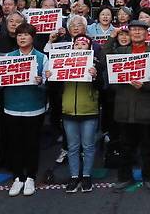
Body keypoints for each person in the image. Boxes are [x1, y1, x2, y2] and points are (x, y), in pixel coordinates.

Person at [0, 23, 47, 197]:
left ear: (32, 37)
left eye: (26, 35)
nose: (22, 37)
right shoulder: (9, 56)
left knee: (32, 144)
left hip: (34, 108)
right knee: (15, 144)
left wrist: (41, 82)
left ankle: (30, 176)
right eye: (19, 35)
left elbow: (48, 86)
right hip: (12, 107)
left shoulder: (42, 58)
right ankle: (18, 177)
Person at [110, 20, 150, 193]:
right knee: (125, 146)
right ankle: (124, 177)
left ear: (147, 34)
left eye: (140, 30)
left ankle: (149, 177)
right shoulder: (120, 52)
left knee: (147, 146)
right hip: (124, 107)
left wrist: (145, 85)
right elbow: (106, 62)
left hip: (145, 108)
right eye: (133, 30)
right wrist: (111, 38)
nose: (136, 33)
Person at [51, 34, 105, 193]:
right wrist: (50, 77)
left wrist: (95, 76)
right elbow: (54, 89)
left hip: (89, 109)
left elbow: (102, 87)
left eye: (83, 44)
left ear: (89, 47)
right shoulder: (63, 62)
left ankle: (87, 175)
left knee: (88, 145)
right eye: (77, 44)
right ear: (72, 46)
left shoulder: (95, 63)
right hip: (68, 110)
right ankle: (74, 177)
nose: (80, 47)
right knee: (73, 147)